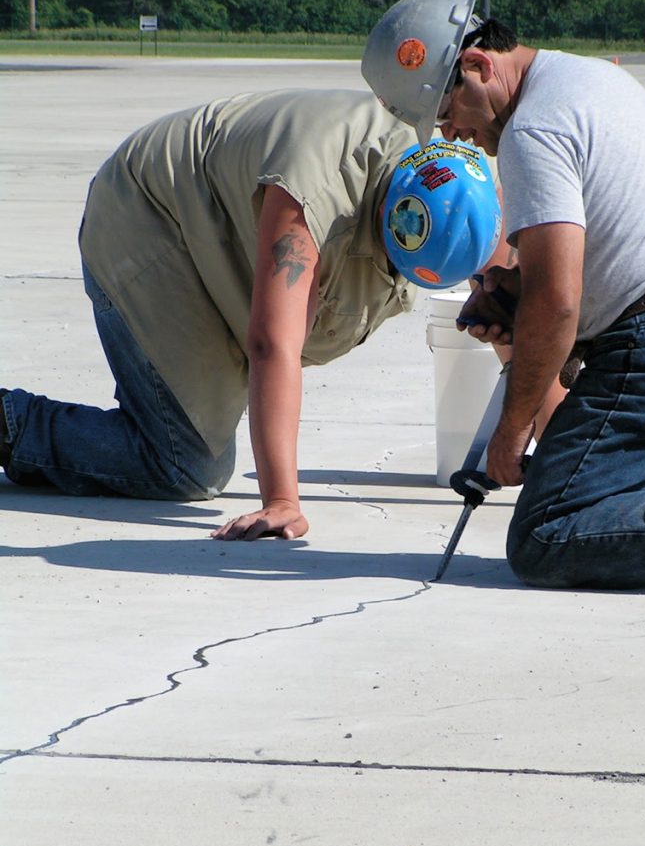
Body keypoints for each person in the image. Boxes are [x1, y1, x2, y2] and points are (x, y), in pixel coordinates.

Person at [362, 0, 645, 589]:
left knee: (550, 537)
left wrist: (510, 430)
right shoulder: (589, 79)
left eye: (448, 114)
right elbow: (598, 263)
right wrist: (515, 290)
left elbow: (558, 302)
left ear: (477, 66)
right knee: (628, 522)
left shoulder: (533, 129)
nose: (454, 133)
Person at [0, 89, 508, 541]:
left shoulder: (469, 192)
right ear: (386, 211)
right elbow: (272, 344)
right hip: (151, 217)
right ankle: (9, 424)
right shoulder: (313, 194)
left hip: (222, 233)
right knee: (183, 463)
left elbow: (518, 314)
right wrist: (282, 502)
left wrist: (538, 442)